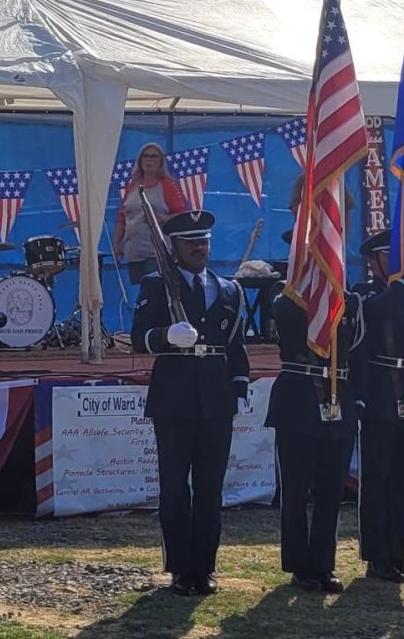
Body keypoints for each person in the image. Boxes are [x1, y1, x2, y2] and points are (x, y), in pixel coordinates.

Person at [132, 209, 250, 596]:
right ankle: (181, 568)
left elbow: (236, 348)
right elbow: (139, 337)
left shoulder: (229, 289)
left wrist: (239, 387)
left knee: (210, 487)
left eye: (204, 241)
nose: (200, 247)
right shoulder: (156, 285)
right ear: (174, 247)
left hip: (216, 399)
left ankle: (206, 565)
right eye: (191, 242)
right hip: (174, 397)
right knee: (175, 487)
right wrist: (166, 334)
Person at [266, 179, 364, 594]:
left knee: (331, 489)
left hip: (338, 399)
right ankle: (298, 563)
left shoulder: (351, 299)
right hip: (299, 399)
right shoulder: (285, 295)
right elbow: (290, 327)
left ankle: (323, 562)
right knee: (297, 488)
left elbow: (355, 349)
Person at [351, 230, 404, 584]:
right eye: (389, 255)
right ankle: (377, 555)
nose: (397, 262)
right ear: (373, 261)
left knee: (403, 480)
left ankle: (398, 552)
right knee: (378, 478)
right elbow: (375, 313)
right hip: (380, 394)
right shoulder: (364, 292)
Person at [114, 143, 188, 284]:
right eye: (146, 156)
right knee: (139, 291)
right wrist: (116, 243)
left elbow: (182, 216)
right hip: (134, 251)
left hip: (157, 251)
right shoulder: (132, 186)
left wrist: (164, 218)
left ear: (160, 161)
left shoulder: (168, 186)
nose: (149, 160)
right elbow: (122, 218)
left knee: (154, 287)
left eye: (154, 156)